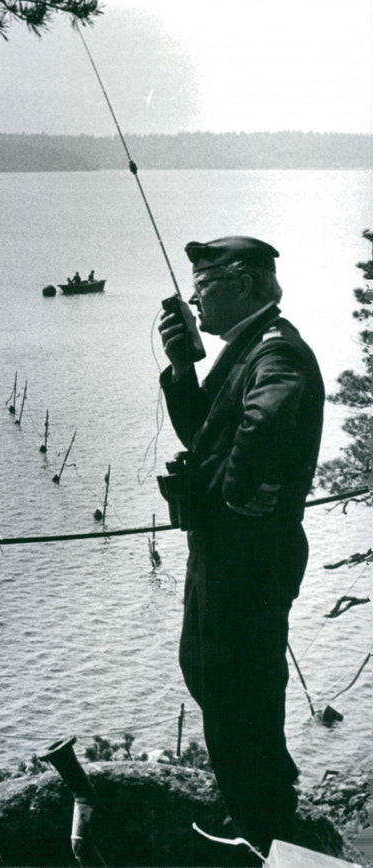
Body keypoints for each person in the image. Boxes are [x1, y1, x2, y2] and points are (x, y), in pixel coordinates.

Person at [157, 236, 324, 856]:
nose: (194, 298)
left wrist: (234, 492)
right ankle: (258, 807)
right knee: (213, 671)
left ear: (246, 284)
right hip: (228, 550)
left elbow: (271, 414)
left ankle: (265, 826)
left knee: (238, 683)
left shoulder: (276, 350)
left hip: (250, 553)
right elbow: (206, 433)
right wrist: (183, 368)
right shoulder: (243, 349)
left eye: (204, 286)